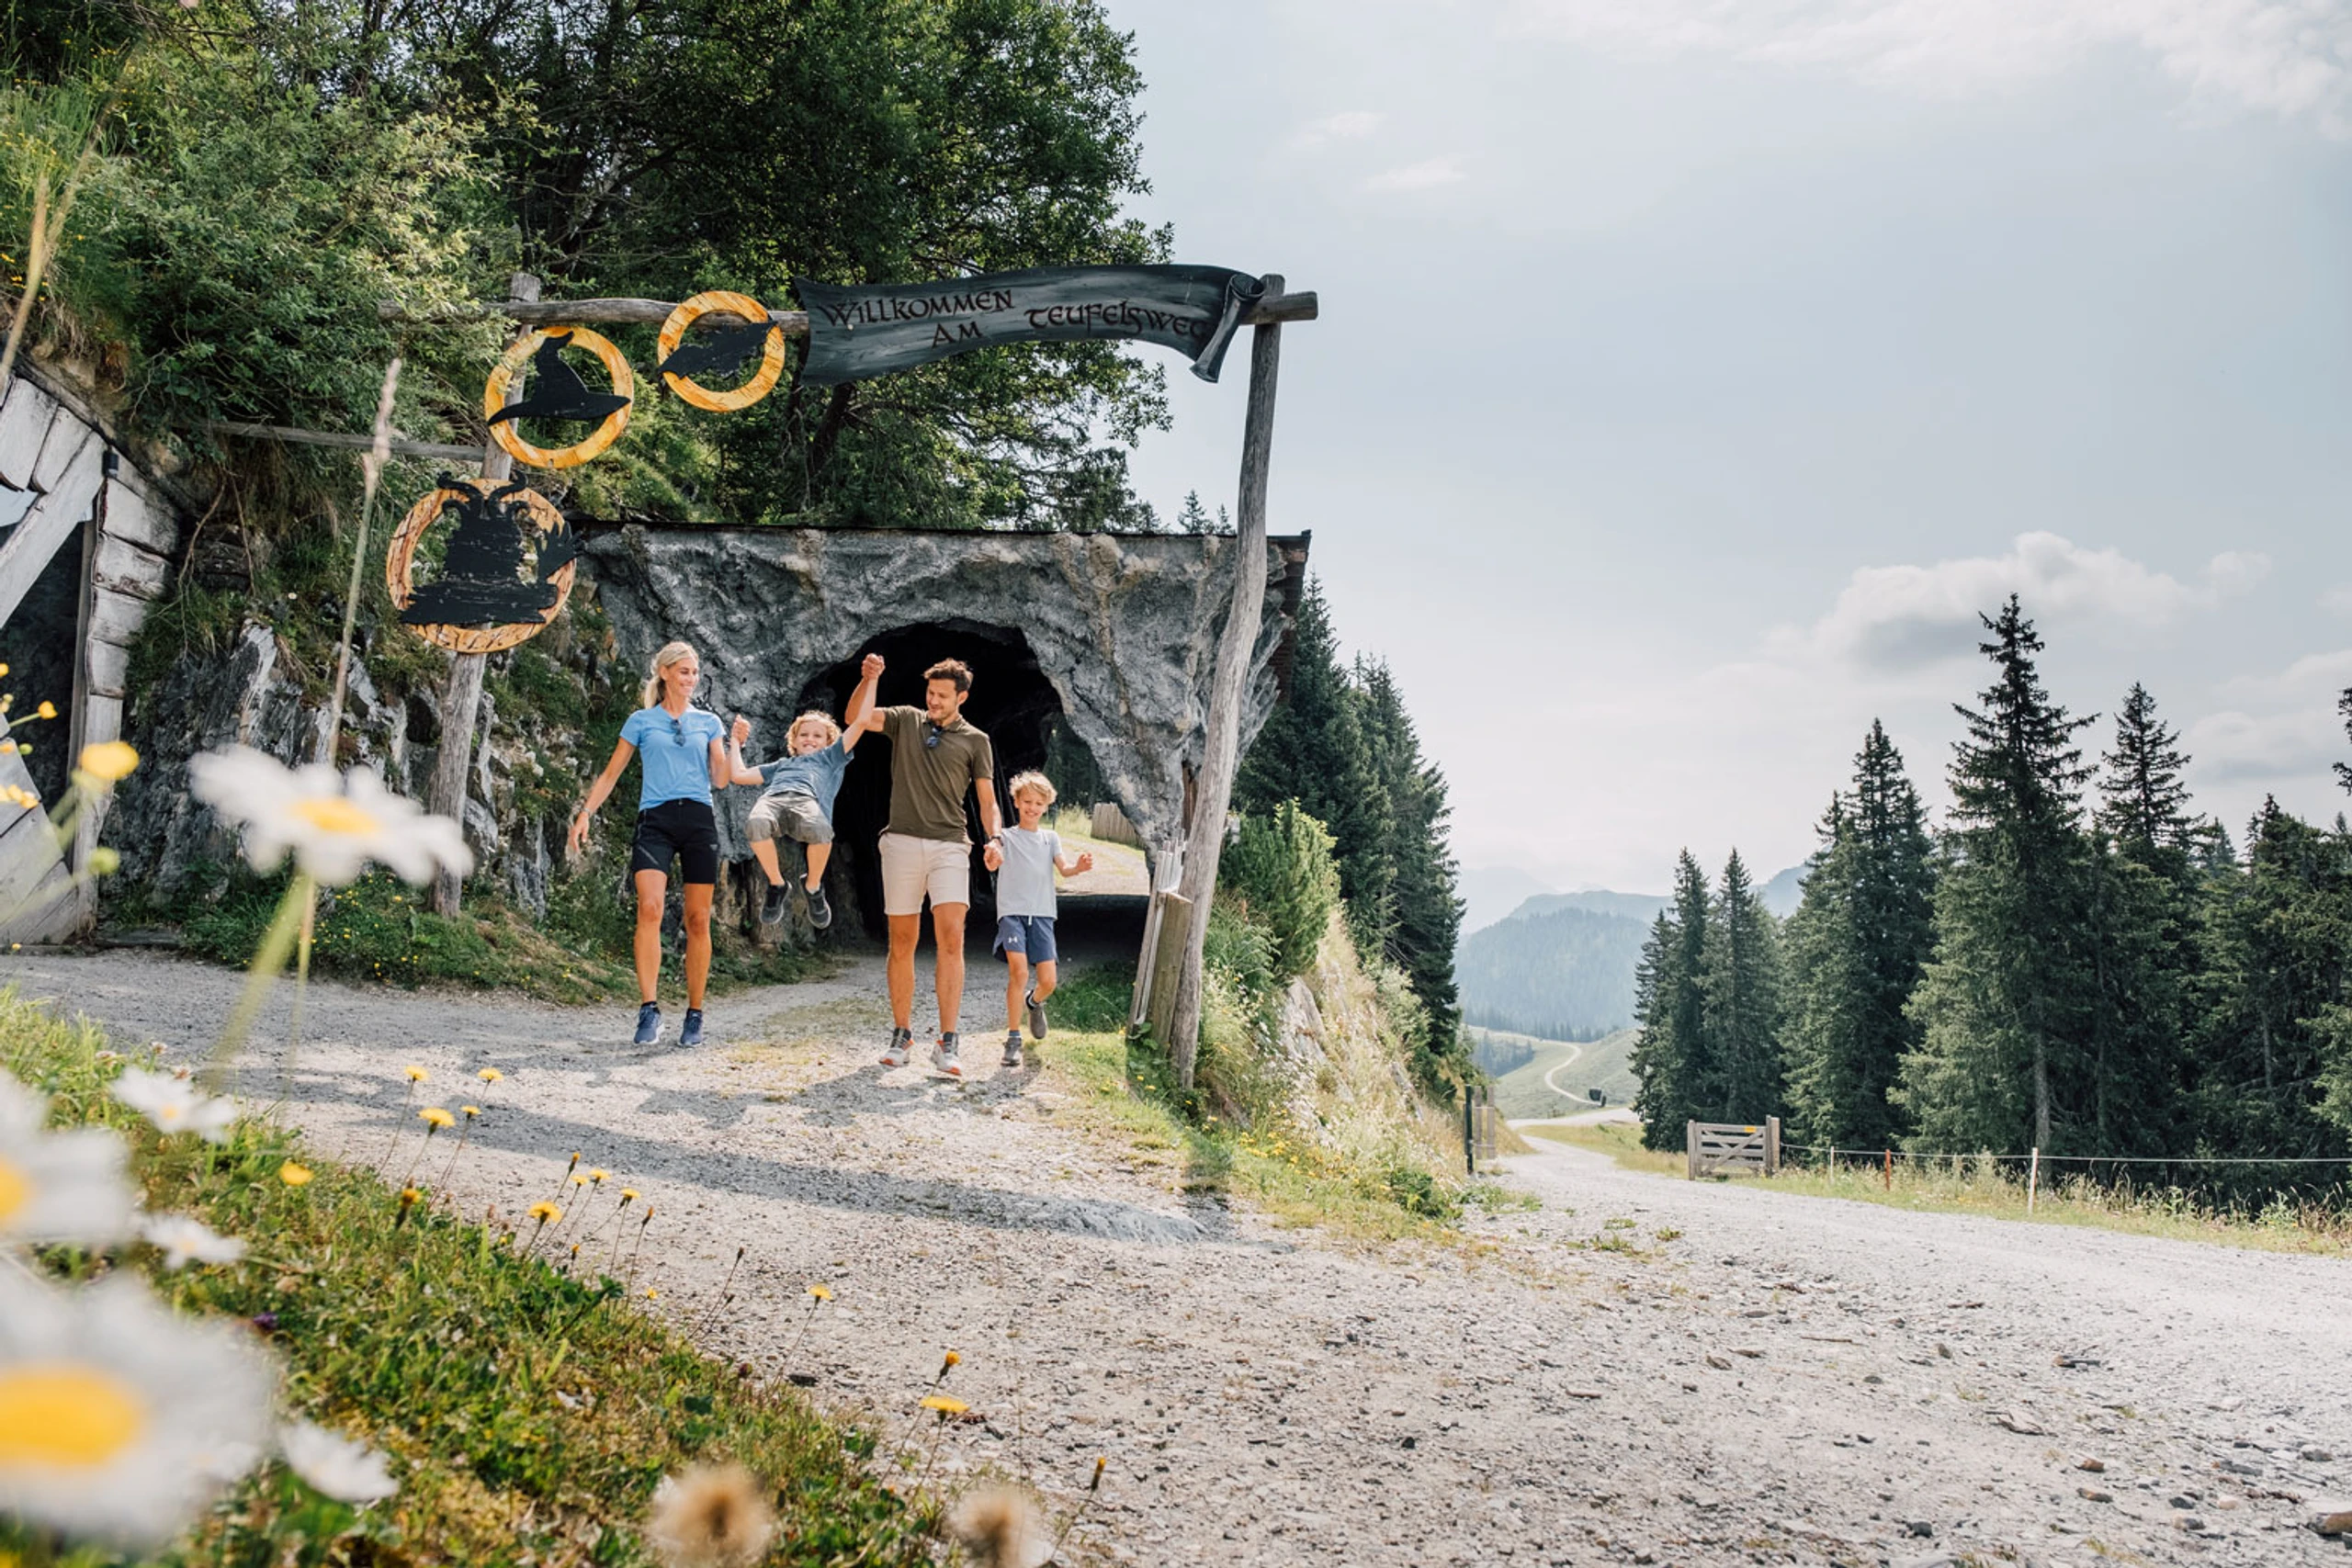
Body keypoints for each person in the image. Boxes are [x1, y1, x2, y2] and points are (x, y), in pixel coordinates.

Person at [569, 641, 729, 1047]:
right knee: (650, 907)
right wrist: (586, 812)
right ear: (664, 673)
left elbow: (722, 779)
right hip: (654, 819)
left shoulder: (709, 723)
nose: (691, 679)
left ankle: (694, 1015)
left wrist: (734, 744)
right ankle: (649, 1010)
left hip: (698, 820)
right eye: (684, 672)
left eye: (695, 673)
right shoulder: (641, 721)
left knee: (697, 919)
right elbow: (610, 774)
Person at [847, 657, 1001, 1077]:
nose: (933, 700)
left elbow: (988, 803)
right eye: (930, 693)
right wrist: (870, 679)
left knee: (952, 937)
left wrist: (996, 839)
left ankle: (948, 1043)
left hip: (951, 844)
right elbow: (856, 718)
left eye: (942, 695)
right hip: (900, 841)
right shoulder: (906, 720)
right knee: (902, 940)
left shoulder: (976, 740)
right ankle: (902, 1035)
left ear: (961, 698)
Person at [726, 653, 883, 930]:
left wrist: (871, 680)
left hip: (807, 804)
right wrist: (736, 744)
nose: (809, 739)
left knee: (822, 832)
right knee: (755, 824)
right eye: (804, 735)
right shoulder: (781, 765)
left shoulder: (831, 758)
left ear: (828, 742)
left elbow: (860, 723)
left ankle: (812, 887)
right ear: (794, 741)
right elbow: (738, 775)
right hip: (774, 800)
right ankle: (777, 884)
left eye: (817, 735)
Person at [991, 771, 1092, 1066]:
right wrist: (992, 857)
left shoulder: (1050, 839)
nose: (1032, 808)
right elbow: (993, 860)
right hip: (1012, 914)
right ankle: (1013, 1039)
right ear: (1017, 802)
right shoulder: (1006, 837)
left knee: (1048, 981)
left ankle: (1033, 1003)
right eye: (1027, 801)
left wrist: (1080, 867)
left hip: (1043, 916)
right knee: (1019, 972)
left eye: (1038, 803)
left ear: (1046, 806)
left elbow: (1065, 869)